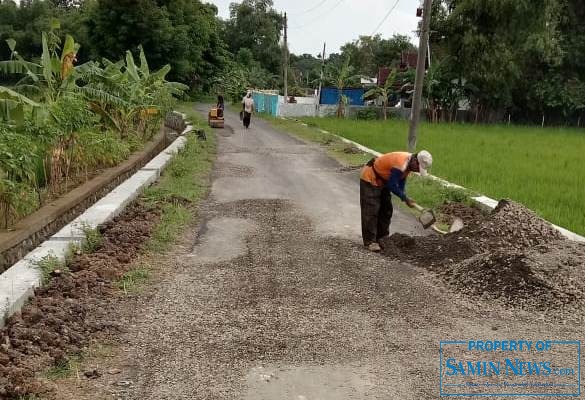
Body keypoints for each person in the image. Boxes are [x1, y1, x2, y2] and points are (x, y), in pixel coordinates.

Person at [359, 150, 433, 252]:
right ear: (415, 160)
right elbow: (392, 185)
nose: (417, 170)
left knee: (386, 210)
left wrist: (405, 197)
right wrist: (405, 198)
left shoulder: (408, 166)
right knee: (371, 210)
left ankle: (382, 239)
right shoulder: (401, 163)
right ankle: (370, 242)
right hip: (371, 177)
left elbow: (400, 183)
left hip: (384, 181)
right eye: (418, 167)